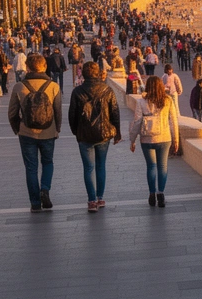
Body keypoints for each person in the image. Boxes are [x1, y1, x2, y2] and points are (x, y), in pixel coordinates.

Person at [7, 54, 62, 212]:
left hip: (27, 133)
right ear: (44, 67)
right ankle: (45, 188)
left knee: (31, 168)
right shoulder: (53, 86)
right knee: (48, 162)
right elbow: (57, 111)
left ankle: (35, 203)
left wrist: (18, 128)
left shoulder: (19, 86)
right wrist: (56, 128)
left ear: (28, 68)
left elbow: (12, 113)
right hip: (48, 132)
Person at [69, 61, 121, 212]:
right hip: (103, 135)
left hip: (84, 136)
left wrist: (76, 131)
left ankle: (91, 200)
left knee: (88, 168)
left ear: (83, 74)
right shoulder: (107, 90)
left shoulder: (77, 92)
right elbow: (115, 112)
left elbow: (72, 115)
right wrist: (117, 132)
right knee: (101, 165)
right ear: (98, 73)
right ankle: (100, 197)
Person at [130, 75, 180, 208]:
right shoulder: (168, 100)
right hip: (164, 138)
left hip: (147, 139)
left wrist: (132, 140)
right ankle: (161, 194)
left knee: (151, 166)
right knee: (162, 166)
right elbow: (174, 121)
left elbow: (137, 122)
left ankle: (151, 194)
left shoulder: (142, 102)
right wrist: (176, 140)